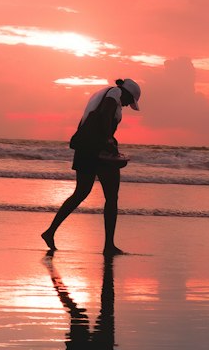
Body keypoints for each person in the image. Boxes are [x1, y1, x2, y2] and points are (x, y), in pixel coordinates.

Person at [41, 76, 141, 255]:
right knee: (111, 197)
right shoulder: (115, 93)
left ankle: (50, 231)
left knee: (80, 193)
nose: (127, 105)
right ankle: (108, 245)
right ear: (125, 93)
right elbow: (105, 115)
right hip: (99, 151)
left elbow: (91, 120)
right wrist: (109, 142)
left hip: (85, 149)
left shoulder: (100, 94)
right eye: (129, 101)